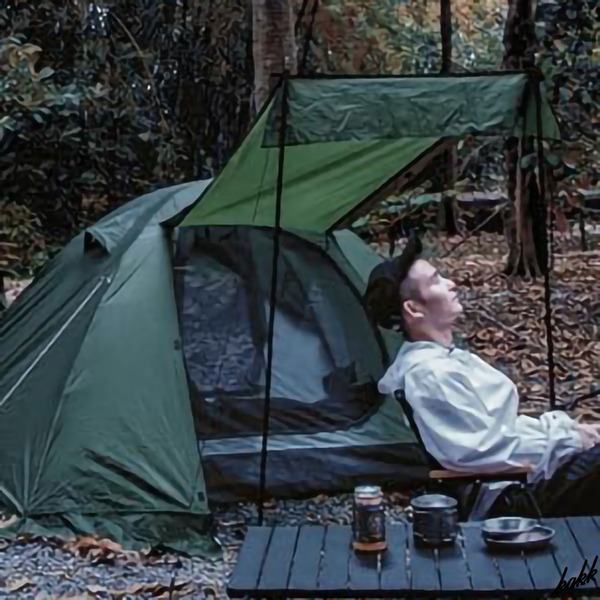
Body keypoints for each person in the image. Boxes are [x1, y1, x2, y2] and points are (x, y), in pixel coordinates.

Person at [365, 231, 600, 518]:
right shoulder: (428, 374)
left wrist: (569, 432)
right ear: (413, 309)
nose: (451, 284)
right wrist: (568, 442)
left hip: (519, 482)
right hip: (508, 499)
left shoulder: (443, 361)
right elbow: (479, 451)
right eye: (436, 280)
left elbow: (499, 430)